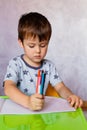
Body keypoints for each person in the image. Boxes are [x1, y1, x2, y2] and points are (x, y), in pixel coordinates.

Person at [3, 12, 83, 111]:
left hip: (40, 112)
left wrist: (70, 96)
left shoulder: (49, 66)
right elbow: (8, 88)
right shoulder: (15, 64)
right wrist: (28, 101)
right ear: (21, 43)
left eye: (43, 45)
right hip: (18, 111)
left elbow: (60, 87)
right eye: (31, 46)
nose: (38, 50)